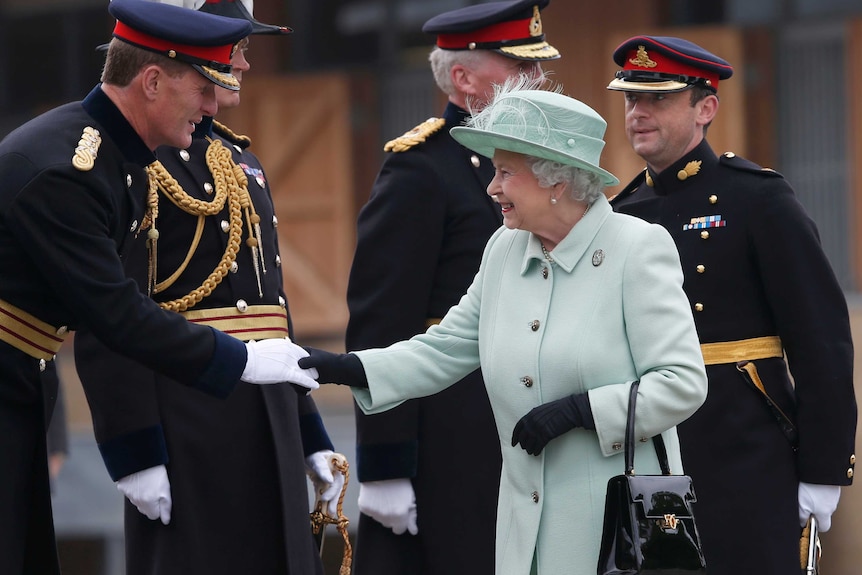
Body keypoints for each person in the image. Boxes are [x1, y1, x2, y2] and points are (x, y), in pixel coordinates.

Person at [299, 79, 709, 575]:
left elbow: (683, 382)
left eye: (505, 173)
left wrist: (583, 410)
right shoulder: (505, 249)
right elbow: (446, 348)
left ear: (556, 181)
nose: (492, 188)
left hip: (613, 530)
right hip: (523, 531)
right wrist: (344, 368)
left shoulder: (637, 248)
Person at [0, 1, 318, 573]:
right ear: (151, 81)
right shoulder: (69, 168)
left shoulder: (117, 158)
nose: (213, 103)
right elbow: (117, 313)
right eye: (202, 87)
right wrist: (242, 361)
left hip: (24, 377)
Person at [606, 35, 857, 574]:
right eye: (631, 99)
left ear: (706, 109)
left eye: (658, 99)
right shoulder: (621, 214)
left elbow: (821, 340)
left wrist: (823, 469)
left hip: (748, 454)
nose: (638, 113)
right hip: (657, 459)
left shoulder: (758, 199)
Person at [344, 2, 559, 573]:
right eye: (516, 66)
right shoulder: (421, 170)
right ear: (463, 78)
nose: (532, 79)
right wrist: (385, 462)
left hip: (535, 418)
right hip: (453, 428)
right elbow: (381, 320)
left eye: (534, 65)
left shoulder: (540, 167)